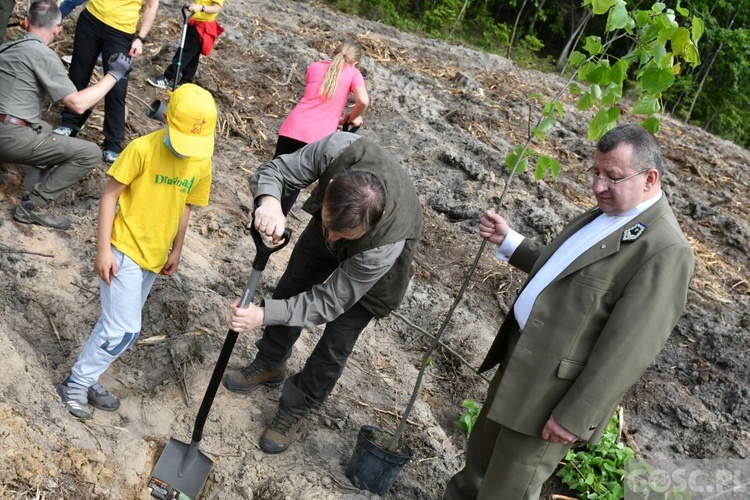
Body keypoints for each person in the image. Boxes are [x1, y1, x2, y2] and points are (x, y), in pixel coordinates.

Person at [443, 124, 695, 499]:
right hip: (520, 365)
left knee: (505, 491)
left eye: (612, 177)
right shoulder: (609, 211)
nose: (597, 186)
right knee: (475, 471)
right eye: (595, 172)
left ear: (650, 178)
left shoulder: (665, 250)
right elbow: (572, 274)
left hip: (550, 399)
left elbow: (628, 350)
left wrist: (576, 416)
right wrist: (513, 244)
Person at [223, 131, 422, 454]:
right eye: (330, 227)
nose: (332, 238)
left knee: (337, 340)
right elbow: (276, 171)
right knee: (293, 285)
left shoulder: (382, 246)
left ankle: (295, 408)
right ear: (330, 188)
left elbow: (328, 303)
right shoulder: (338, 149)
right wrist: (270, 203)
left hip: (378, 269)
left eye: (341, 235)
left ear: (369, 226)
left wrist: (263, 314)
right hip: (341, 216)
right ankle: (270, 362)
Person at [56, 84, 217, 420]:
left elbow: (186, 206)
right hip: (123, 249)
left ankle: (88, 376)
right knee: (124, 330)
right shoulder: (142, 149)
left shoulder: (201, 162)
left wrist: (177, 249)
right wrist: (103, 250)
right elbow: (109, 196)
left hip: (154, 256)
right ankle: (77, 381)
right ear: (168, 121)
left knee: (113, 323)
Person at [0, 0, 132, 230]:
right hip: (9, 137)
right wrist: (113, 75)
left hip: (7, 127)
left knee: (46, 129)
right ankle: (34, 205)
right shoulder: (41, 54)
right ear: (58, 28)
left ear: (25, 22)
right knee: (89, 153)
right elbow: (78, 105)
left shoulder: (7, 47)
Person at [54, 0, 158, 165]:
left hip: (121, 32)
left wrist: (140, 39)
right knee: (78, 73)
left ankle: (113, 142)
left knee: (117, 88)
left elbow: (151, 6)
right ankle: (68, 122)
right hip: (91, 20)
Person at [273, 38, 369, 215]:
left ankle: (258, 216)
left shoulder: (314, 66)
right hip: (317, 139)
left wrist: (339, 119)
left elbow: (315, 104)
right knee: (293, 185)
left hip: (292, 127)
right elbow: (363, 101)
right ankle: (275, 223)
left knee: (275, 176)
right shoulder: (354, 73)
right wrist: (351, 118)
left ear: (334, 52)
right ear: (355, 62)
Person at [147, 1, 224, 89]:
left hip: (202, 27)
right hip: (194, 22)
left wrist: (201, 8)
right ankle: (186, 80)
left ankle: (167, 77)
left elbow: (216, 8)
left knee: (184, 53)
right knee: (192, 56)